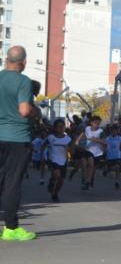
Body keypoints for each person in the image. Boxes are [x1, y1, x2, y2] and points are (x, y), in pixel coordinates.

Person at [0, 46, 41, 241]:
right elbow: (24, 110)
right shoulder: (23, 82)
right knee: (12, 183)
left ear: (7, 59)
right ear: (23, 62)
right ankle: (11, 228)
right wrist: (37, 113)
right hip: (17, 138)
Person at [45, 119, 71, 203]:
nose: (60, 128)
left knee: (61, 181)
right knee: (57, 174)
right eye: (58, 127)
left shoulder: (68, 139)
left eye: (62, 126)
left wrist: (69, 148)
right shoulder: (51, 137)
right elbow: (43, 146)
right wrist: (44, 156)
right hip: (53, 159)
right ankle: (52, 181)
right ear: (55, 128)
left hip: (63, 161)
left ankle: (55, 193)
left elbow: (72, 150)